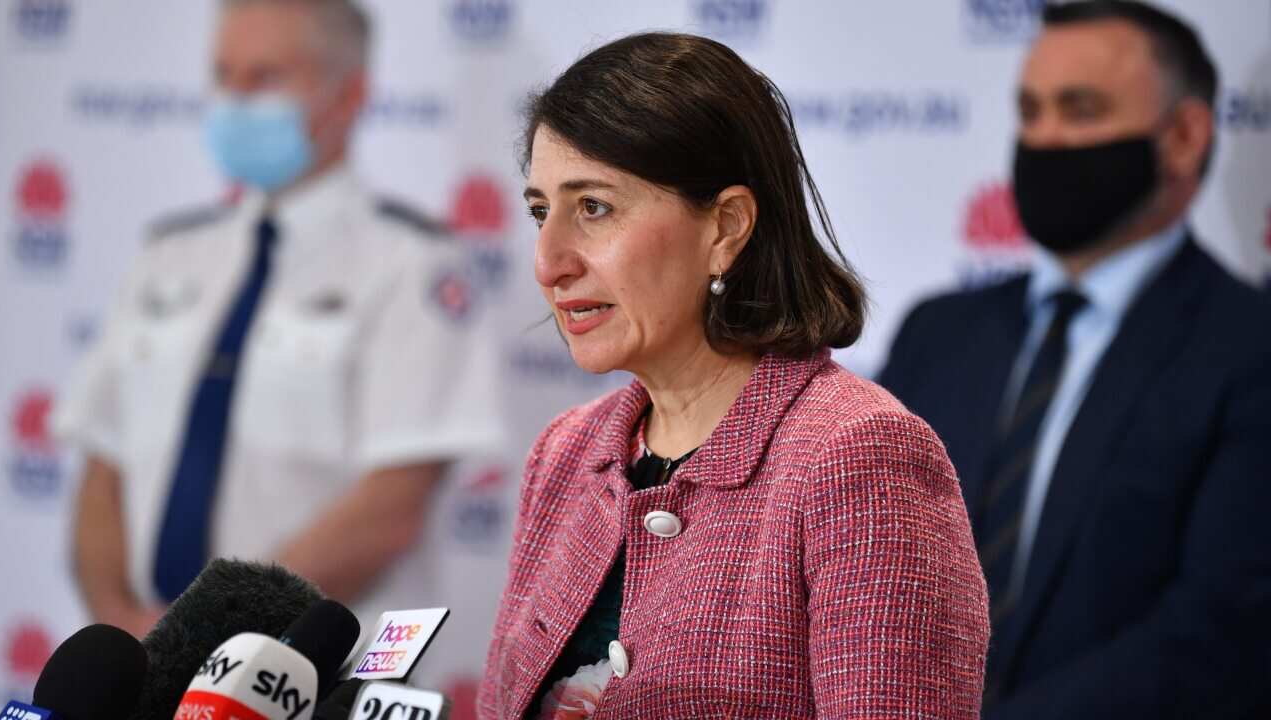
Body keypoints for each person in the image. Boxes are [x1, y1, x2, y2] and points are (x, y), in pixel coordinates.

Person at [477, 32, 989, 720]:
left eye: (592, 207)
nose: (549, 261)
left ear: (726, 227)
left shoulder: (858, 456)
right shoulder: (566, 452)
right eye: (541, 212)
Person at [54, 0, 500, 636]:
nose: (233, 101)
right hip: (142, 667)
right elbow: (103, 465)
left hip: (312, 672)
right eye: (223, 74)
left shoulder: (411, 264)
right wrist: (119, 627)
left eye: (263, 78)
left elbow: (393, 504)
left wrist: (203, 631)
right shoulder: (168, 253)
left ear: (348, 95)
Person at [879, 2, 1271, 717]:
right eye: (1029, 111)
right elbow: (861, 561)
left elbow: (1221, 630)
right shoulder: (938, 335)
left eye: (1080, 110)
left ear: (1184, 136)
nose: (1044, 138)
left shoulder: (1249, 347)